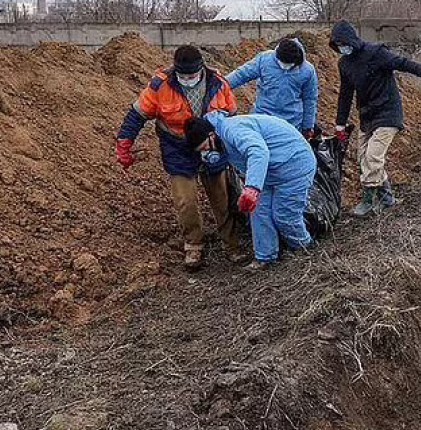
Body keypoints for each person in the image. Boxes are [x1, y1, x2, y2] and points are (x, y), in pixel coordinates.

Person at [114, 45, 240, 271]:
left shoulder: (218, 83)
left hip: (212, 144)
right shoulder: (160, 85)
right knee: (186, 201)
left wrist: (229, 147)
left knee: (221, 197)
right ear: (176, 70)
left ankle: (231, 243)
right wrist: (125, 143)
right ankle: (193, 245)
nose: (188, 79)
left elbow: (232, 117)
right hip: (177, 147)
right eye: (183, 76)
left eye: (192, 76)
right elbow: (137, 114)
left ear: (201, 69)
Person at [329, 20, 421, 217]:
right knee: (363, 160)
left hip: (387, 112)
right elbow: (345, 94)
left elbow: (402, 63)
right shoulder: (344, 64)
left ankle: (368, 201)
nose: (341, 48)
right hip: (367, 115)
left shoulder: (375, 53)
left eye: (343, 43)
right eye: (337, 45)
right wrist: (340, 125)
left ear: (352, 40)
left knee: (373, 156)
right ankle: (386, 198)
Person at [184, 112, 317, 270]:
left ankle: (305, 250)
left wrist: (252, 188)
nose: (206, 153)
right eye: (201, 151)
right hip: (269, 171)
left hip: (294, 165)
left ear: (211, 135)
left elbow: (258, 152)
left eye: (205, 147)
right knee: (258, 212)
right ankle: (265, 257)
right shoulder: (220, 141)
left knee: (284, 215)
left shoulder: (233, 130)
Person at [225, 37, 319, 137]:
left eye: (289, 65)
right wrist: (220, 84)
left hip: (291, 122)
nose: (284, 67)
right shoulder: (265, 60)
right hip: (262, 117)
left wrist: (308, 126)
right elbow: (242, 74)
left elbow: (310, 99)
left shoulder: (307, 71)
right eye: (282, 63)